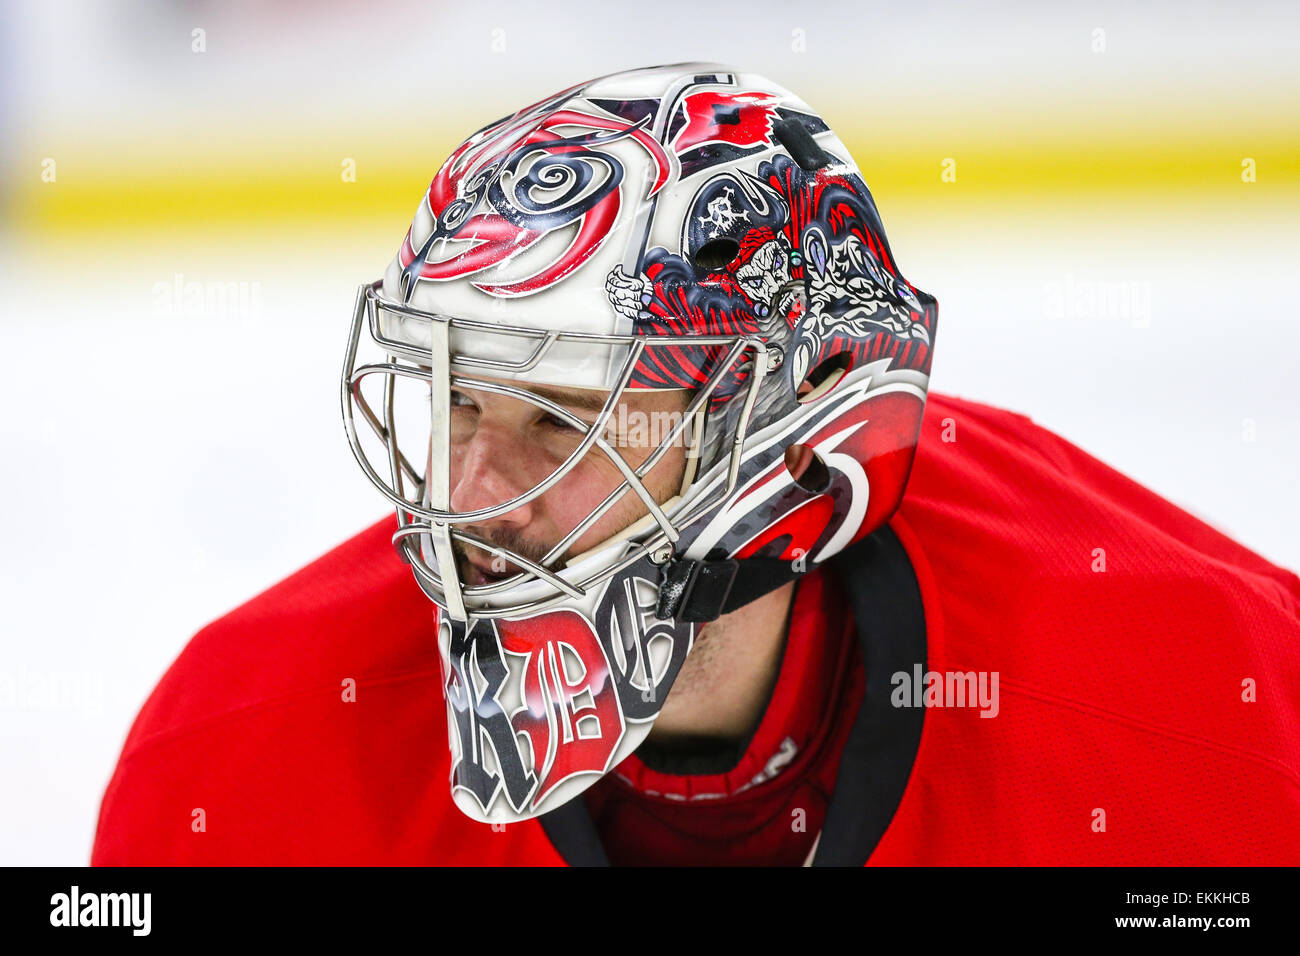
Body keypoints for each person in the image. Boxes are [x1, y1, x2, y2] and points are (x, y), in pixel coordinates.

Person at [92, 63, 1300, 867]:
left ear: (798, 426)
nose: (465, 497)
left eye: (562, 422)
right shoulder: (234, 760)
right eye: (456, 400)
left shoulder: (1215, 726)